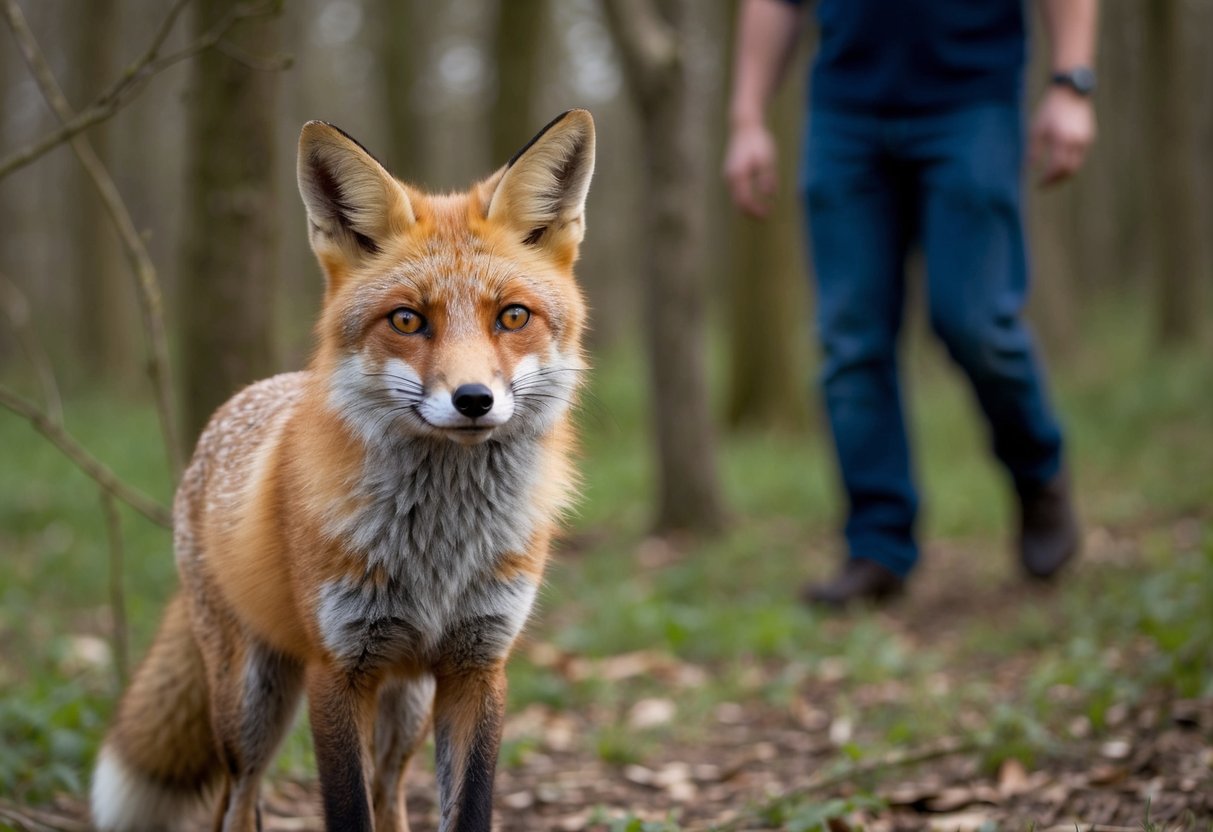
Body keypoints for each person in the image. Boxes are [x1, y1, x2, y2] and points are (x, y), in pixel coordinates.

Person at [724, 0, 1097, 606]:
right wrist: (746, 119)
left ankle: (1038, 473)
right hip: (844, 108)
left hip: (973, 98)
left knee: (976, 322)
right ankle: (877, 546)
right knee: (850, 338)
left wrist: (1072, 82)